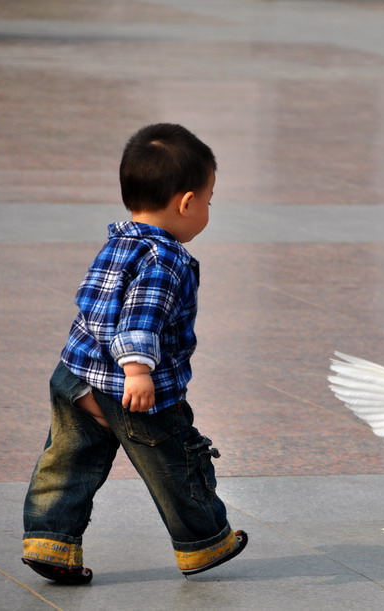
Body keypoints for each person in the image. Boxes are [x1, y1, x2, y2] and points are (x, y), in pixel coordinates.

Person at [21, 123, 247, 585]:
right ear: (186, 203)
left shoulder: (119, 240)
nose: (207, 209)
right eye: (209, 200)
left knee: (67, 462)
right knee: (177, 466)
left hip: (75, 375)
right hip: (131, 390)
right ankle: (205, 542)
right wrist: (138, 371)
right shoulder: (165, 259)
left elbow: (94, 300)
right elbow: (139, 319)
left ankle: (49, 541)